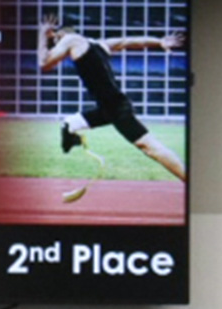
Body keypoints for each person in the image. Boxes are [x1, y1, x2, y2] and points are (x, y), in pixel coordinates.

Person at [38, 11, 186, 181]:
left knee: (150, 147)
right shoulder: (99, 44)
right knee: (69, 123)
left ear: (60, 34)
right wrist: (159, 42)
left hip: (116, 107)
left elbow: (43, 64)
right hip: (107, 108)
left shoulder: (71, 39)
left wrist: (43, 34)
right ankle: (73, 138)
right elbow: (129, 41)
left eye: (55, 41)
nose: (55, 46)